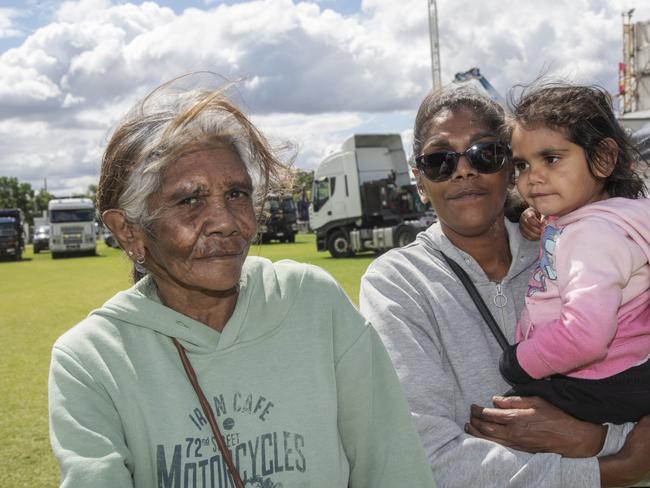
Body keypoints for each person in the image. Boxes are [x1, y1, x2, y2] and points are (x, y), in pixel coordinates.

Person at [48, 76, 435, 488]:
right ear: (129, 231)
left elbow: (394, 466)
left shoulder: (313, 304)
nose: (226, 222)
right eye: (189, 200)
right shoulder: (91, 360)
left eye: (236, 194)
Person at [359, 84, 650, 487]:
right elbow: (425, 454)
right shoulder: (398, 282)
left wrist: (593, 437)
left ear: (509, 168)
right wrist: (610, 462)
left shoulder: (573, 249)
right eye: (439, 161)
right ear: (419, 181)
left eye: (485, 154)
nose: (463, 170)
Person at [499, 83, 650, 425]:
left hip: (601, 378)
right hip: (625, 370)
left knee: (502, 423)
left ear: (603, 158)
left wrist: (521, 361)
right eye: (522, 165)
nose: (532, 178)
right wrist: (537, 219)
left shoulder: (591, 236)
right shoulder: (604, 218)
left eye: (551, 159)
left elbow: (586, 336)